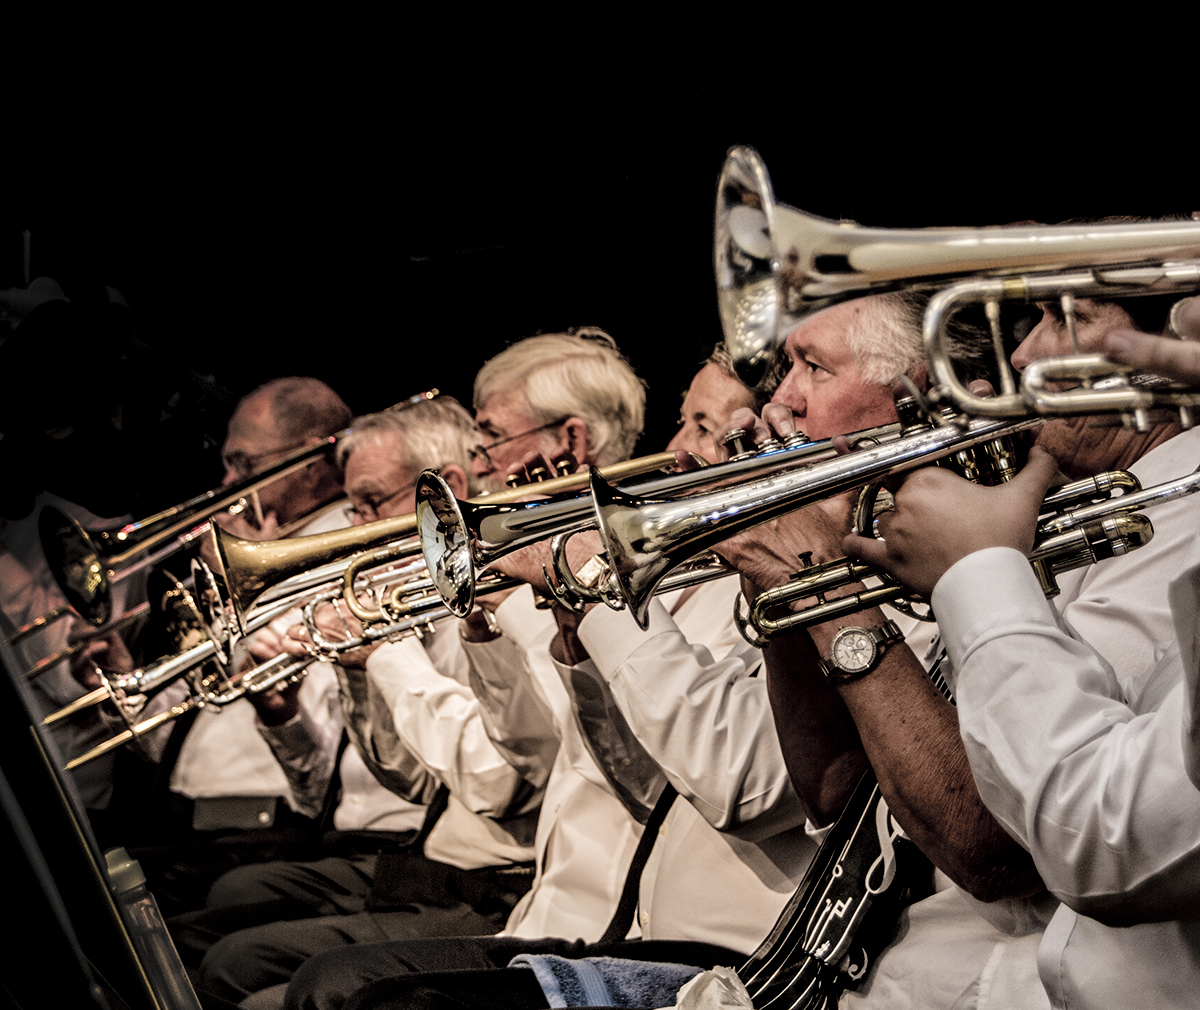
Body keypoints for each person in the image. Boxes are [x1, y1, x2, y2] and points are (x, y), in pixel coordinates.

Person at [841, 307, 1200, 1009]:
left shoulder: (1172, 497)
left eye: (1070, 315)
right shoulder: (1093, 498)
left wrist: (975, 570)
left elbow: (1075, 838)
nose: (1026, 352)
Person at [189, 397, 545, 1006]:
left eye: (372, 503)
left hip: (481, 878)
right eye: (352, 506)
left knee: (243, 960)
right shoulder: (399, 594)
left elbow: (492, 783)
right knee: (221, 926)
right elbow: (408, 775)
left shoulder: (488, 603)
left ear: (447, 487)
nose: (355, 527)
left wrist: (384, 654)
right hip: (423, 857)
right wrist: (354, 673)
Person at [128, 377, 353, 914]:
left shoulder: (341, 546)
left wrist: (257, 584)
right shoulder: (264, 543)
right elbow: (205, 721)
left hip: (271, 824)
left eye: (245, 466)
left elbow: (313, 724)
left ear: (311, 459)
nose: (227, 483)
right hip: (192, 813)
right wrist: (135, 694)